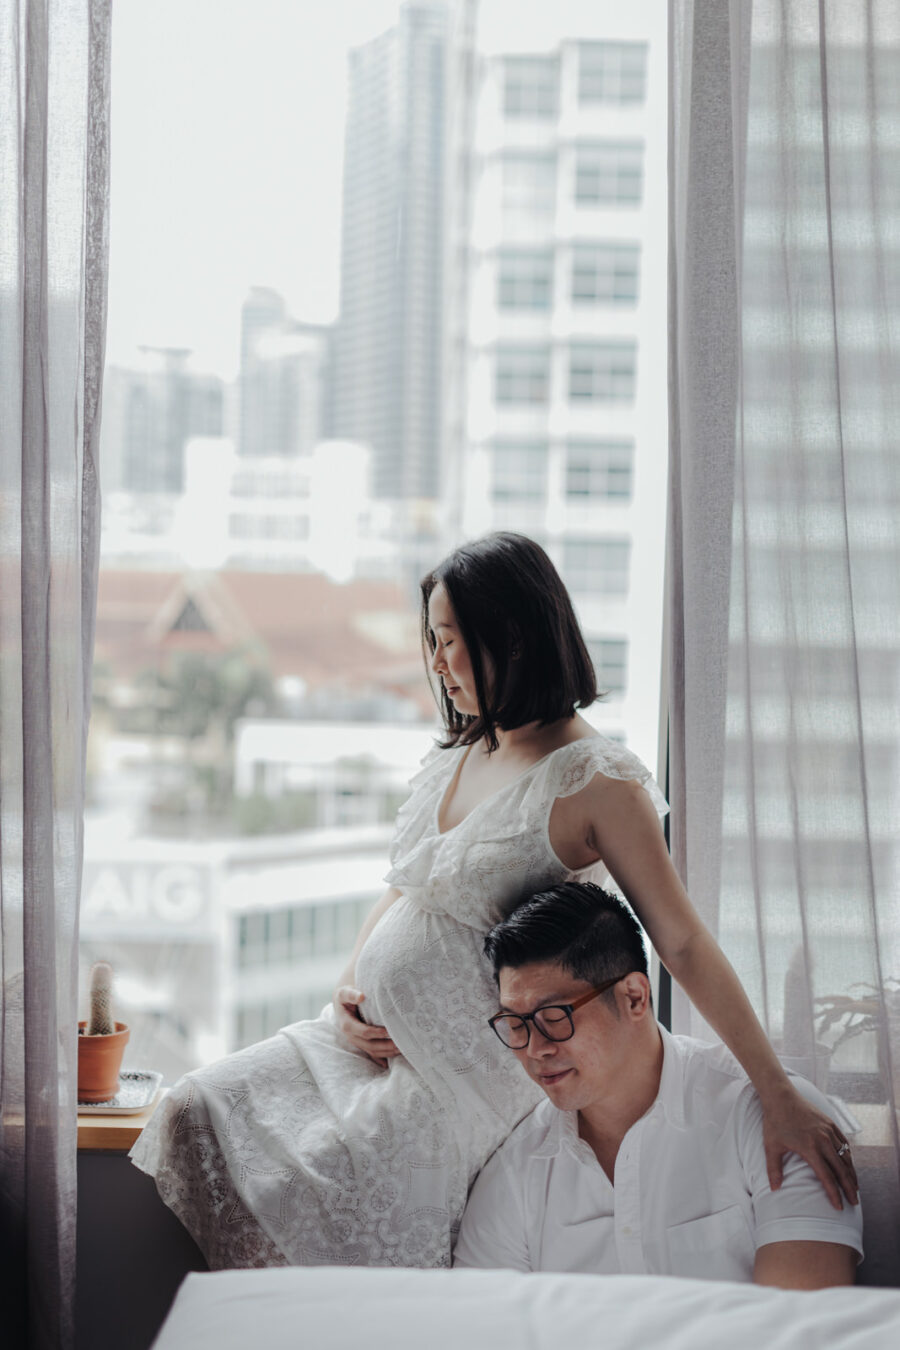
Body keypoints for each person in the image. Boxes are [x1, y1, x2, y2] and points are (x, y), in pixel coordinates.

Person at [130, 532, 856, 1269]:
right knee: (193, 1111)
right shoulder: (462, 750)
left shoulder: (595, 779)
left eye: (451, 641)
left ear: (510, 636)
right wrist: (350, 991)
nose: (438, 663)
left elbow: (683, 941)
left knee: (312, 1198)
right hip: (363, 1042)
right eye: (433, 641)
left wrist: (777, 1091)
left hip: (459, 1076)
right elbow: (406, 888)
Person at [454, 882, 862, 1285]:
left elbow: (801, 1327)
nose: (534, 1049)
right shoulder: (515, 1172)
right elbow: (481, 1330)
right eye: (515, 1023)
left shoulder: (774, 1123)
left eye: (555, 1016)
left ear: (634, 997)